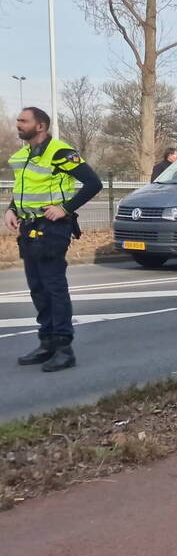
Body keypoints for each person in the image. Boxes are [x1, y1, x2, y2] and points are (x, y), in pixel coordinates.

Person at [3, 107, 103, 371]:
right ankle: (46, 342)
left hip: (52, 228)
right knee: (37, 287)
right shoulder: (24, 154)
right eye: (18, 120)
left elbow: (94, 183)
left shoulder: (59, 152)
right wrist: (11, 209)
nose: (18, 124)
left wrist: (65, 209)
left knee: (53, 287)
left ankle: (63, 348)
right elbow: (24, 190)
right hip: (29, 228)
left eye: (23, 121)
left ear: (41, 126)